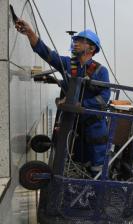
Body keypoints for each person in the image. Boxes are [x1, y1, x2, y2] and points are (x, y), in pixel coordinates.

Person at [15, 19, 111, 175]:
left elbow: (104, 98)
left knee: (96, 168)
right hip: (76, 126)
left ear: (92, 48)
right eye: (76, 40)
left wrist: (79, 104)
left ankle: (95, 193)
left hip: (94, 127)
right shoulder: (69, 64)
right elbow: (47, 54)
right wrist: (30, 33)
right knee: (78, 163)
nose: (76, 43)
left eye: (81, 41)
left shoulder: (99, 71)